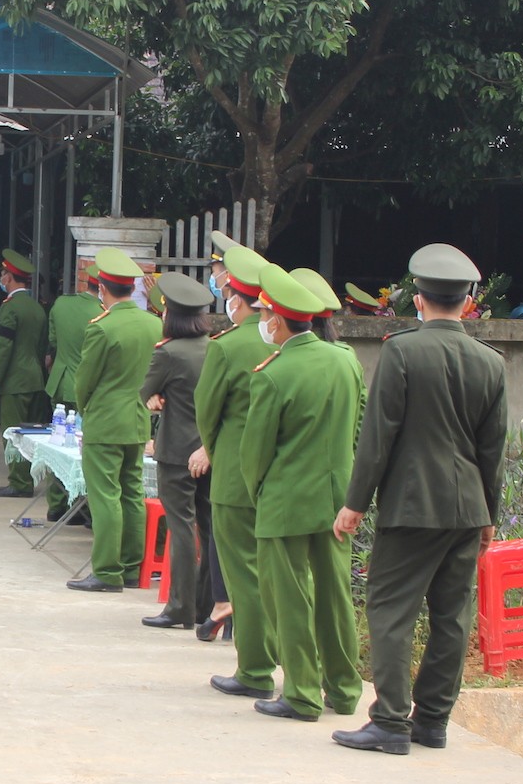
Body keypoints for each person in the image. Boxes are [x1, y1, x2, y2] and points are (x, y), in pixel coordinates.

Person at [331, 244, 508, 755]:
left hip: (412, 505)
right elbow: (493, 449)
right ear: (468, 303)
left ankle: (390, 721)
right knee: (451, 617)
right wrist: (490, 515)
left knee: (390, 610)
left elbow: (378, 435)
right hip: (467, 507)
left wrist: (356, 501)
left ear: (418, 300)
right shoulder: (491, 363)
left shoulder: (402, 351)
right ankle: (432, 722)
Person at [238, 266, 365, 723]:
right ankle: (345, 690)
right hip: (336, 496)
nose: (263, 321)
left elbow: (254, 454)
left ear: (277, 320)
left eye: (265, 313)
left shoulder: (273, 374)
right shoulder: (345, 359)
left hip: (286, 500)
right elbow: (358, 422)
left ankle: (302, 693)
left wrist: (260, 494)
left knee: (288, 599)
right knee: (335, 595)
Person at [195, 246, 277, 690]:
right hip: (274, 473)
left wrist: (211, 447)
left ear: (236, 299)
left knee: (241, 573)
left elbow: (206, 413)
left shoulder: (226, 346)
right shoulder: (289, 344)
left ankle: (254, 668)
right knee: (275, 570)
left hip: (230, 472)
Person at [66, 249, 160, 593]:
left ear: (102, 289)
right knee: (132, 493)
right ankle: (134, 568)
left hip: (106, 420)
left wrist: (86, 409)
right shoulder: (154, 323)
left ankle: (107, 570)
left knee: (105, 494)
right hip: (138, 419)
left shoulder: (102, 328)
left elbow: (84, 381)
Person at [139, 272, 216, 630]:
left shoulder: (168, 352)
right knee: (210, 527)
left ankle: (179, 607)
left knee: (182, 528)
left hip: (175, 452)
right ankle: (207, 607)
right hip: (209, 449)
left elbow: (146, 392)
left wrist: (154, 398)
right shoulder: (215, 347)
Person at [43, 260, 103, 520]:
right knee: (85, 449)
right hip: (89, 389)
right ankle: (82, 506)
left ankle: (56, 503)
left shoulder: (61, 304)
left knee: (58, 443)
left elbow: (53, 342)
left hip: (60, 380)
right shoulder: (103, 312)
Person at [0, 249, 49, 499]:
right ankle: (28, 478)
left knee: (12, 434)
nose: (1, 279)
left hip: (15, 380)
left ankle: (19, 482)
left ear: (10, 277)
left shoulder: (10, 308)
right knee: (31, 435)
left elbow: (3, 348)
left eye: (3, 274)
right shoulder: (37, 308)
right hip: (35, 378)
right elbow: (43, 346)